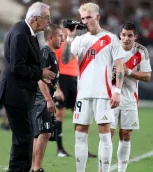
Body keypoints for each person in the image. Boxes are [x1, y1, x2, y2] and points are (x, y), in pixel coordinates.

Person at [62, 2, 124, 172]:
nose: (85, 20)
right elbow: (66, 59)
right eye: (82, 18)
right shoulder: (80, 40)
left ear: (97, 17)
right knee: (80, 134)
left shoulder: (111, 38)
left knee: (105, 135)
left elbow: (119, 67)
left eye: (88, 17)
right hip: (83, 94)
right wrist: (69, 37)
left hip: (104, 94)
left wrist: (117, 91)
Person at [0, 2, 55, 172]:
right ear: (36, 19)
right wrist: (40, 73)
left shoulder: (28, 32)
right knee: (24, 137)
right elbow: (18, 67)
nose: (48, 21)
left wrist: (42, 74)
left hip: (21, 93)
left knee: (23, 137)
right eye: (47, 18)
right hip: (15, 93)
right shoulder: (21, 34)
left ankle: (17, 169)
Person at [110, 22, 152, 172]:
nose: (126, 38)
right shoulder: (111, 48)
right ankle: (105, 169)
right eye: (123, 35)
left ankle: (121, 170)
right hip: (111, 96)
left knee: (126, 134)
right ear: (119, 35)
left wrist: (128, 72)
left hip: (130, 97)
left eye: (130, 36)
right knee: (108, 133)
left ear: (135, 37)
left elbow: (147, 76)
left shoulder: (142, 51)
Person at [54, 21, 97, 158]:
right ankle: (60, 149)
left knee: (79, 115)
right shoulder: (57, 45)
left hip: (74, 81)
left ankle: (82, 149)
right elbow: (53, 68)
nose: (69, 31)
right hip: (62, 80)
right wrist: (57, 89)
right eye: (67, 28)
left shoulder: (75, 43)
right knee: (59, 115)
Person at [31, 24, 64, 172]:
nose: (62, 39)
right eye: (59, 36)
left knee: (42, 133)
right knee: (44, 133)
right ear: (51, 37)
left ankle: (34, 167)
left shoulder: (51, 53)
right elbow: (40, 78)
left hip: (44, 98)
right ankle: (37, 167)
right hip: (40, 99)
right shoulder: (45, 52)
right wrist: (48, 99)